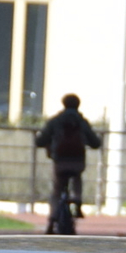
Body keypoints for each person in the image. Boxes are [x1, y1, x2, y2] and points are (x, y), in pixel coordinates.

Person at [33, 93, 101, 228]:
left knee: (57, 189)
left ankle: (52, 218)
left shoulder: (55, 121)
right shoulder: (82, 122)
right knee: (77, 178)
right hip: (78, 161)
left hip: (60, 161)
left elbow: (40, 141)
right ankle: (77, 200)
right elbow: (95, 143)